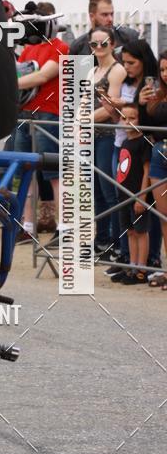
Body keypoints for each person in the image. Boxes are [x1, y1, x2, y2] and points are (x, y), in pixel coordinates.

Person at [101, 39, 159, 274]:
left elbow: (148, 117)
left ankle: (149, 260)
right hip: (121, 144)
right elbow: (122, 117)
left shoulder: (152, 84)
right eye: (124, 62)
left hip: (143, 147)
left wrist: (137, 103)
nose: (127, 67)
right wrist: (111, 107)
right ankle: (127, 258)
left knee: (146, 206)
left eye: (131, 62)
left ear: (144, 61)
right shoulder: (125, 82)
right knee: (121, 202)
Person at [14, 1, 69, 247]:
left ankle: (64, 228)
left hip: (49, 113)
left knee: (54, 174)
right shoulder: (28, 49)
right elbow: (18, 71)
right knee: (26, 172)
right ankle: (27, 226)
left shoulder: (60, 47)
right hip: (25, 113)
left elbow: (43, 75)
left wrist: (9, 84)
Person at [90, 26, 126, 259]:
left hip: (108, 135)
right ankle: (101, 239)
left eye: (104, 43)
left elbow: (110, 107)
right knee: (97, 192)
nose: (99, 48)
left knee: (109, 190)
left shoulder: (117, 70)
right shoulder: (92, 69)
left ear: (112, 44)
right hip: (91, 135)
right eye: (94, 44)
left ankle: (115, 241)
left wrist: (81, 120)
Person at [114, 104, 152, 285]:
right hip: (123, 195)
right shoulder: (124, 142)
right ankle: (132, 265)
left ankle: (141, 270)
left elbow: (147, 171)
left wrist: (142, 196)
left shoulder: (144, 142)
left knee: (140, 231)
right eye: (124, 118)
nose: (128, 122)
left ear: (140, 120)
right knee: (130, 232)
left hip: (138, 195)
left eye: (132, 118)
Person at [140, 50, 167, 287]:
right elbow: (144, 127)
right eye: (163, 70)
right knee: (163, 216)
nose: (166, 74)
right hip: (159, 156)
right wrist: (142, 103)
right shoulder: (157, 95)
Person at [69, 0, 137, 55]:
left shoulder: (129, 37)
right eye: (105, 15)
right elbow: (71, 68)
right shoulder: (78, 47)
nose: (110, 19)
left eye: (112, 14)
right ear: (92, 16)